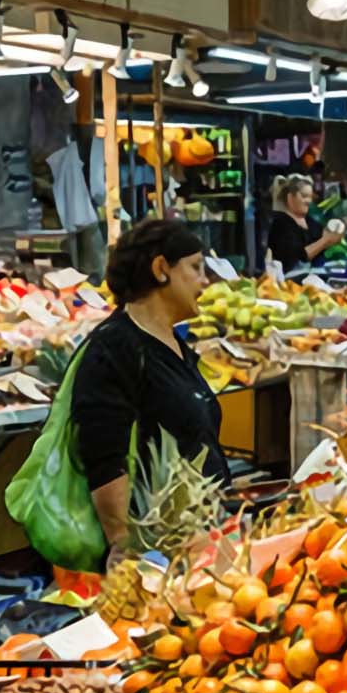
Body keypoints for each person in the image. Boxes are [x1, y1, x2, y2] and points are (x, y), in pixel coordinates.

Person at [69, 219, 230, 554]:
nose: (205, 281)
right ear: (161, 269)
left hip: (201, 534)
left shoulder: (174, 343)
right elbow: (105, 460)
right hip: (156, 549)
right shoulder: (115, 348)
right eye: (196, 267)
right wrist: (126, 549)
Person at [266, 174, 342, 274]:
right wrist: (325, 240)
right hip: (290, 280)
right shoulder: (281, 223)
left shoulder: (307, 219)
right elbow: (300, 256)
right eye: (304, 196)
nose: (309, 201)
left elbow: (320, 233)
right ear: (290, 197)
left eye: (310, 197)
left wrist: (335, 231)